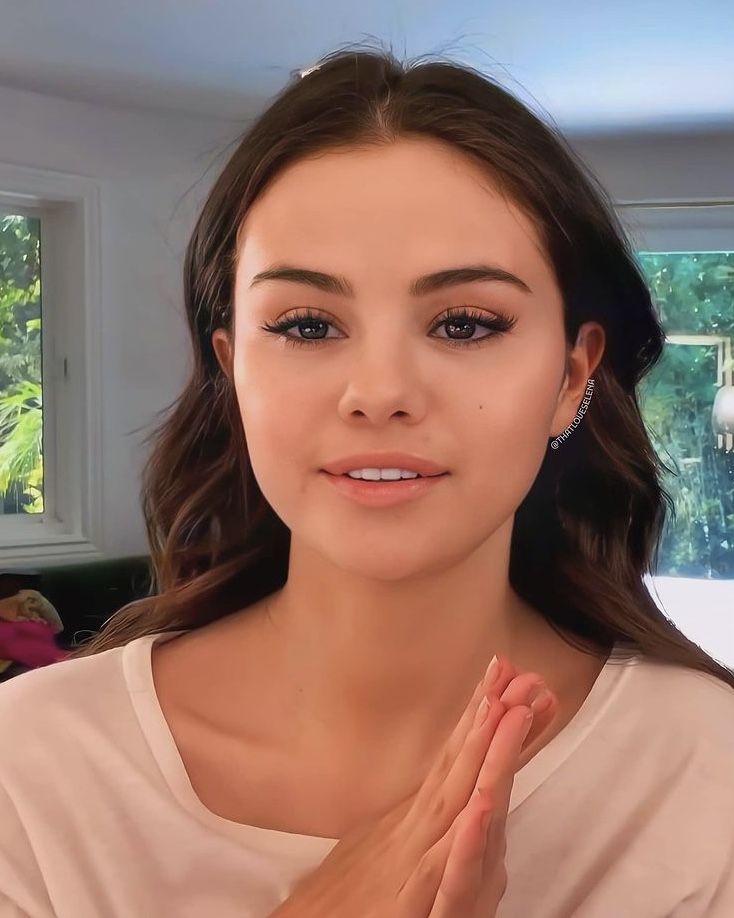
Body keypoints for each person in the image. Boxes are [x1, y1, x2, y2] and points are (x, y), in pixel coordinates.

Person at [0, 42, 733, 918]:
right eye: (308, 326)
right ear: (233, 372)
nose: (379, 392)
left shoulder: (706, 773)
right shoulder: (31, 769)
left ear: (572, 377)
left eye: (464, 324)